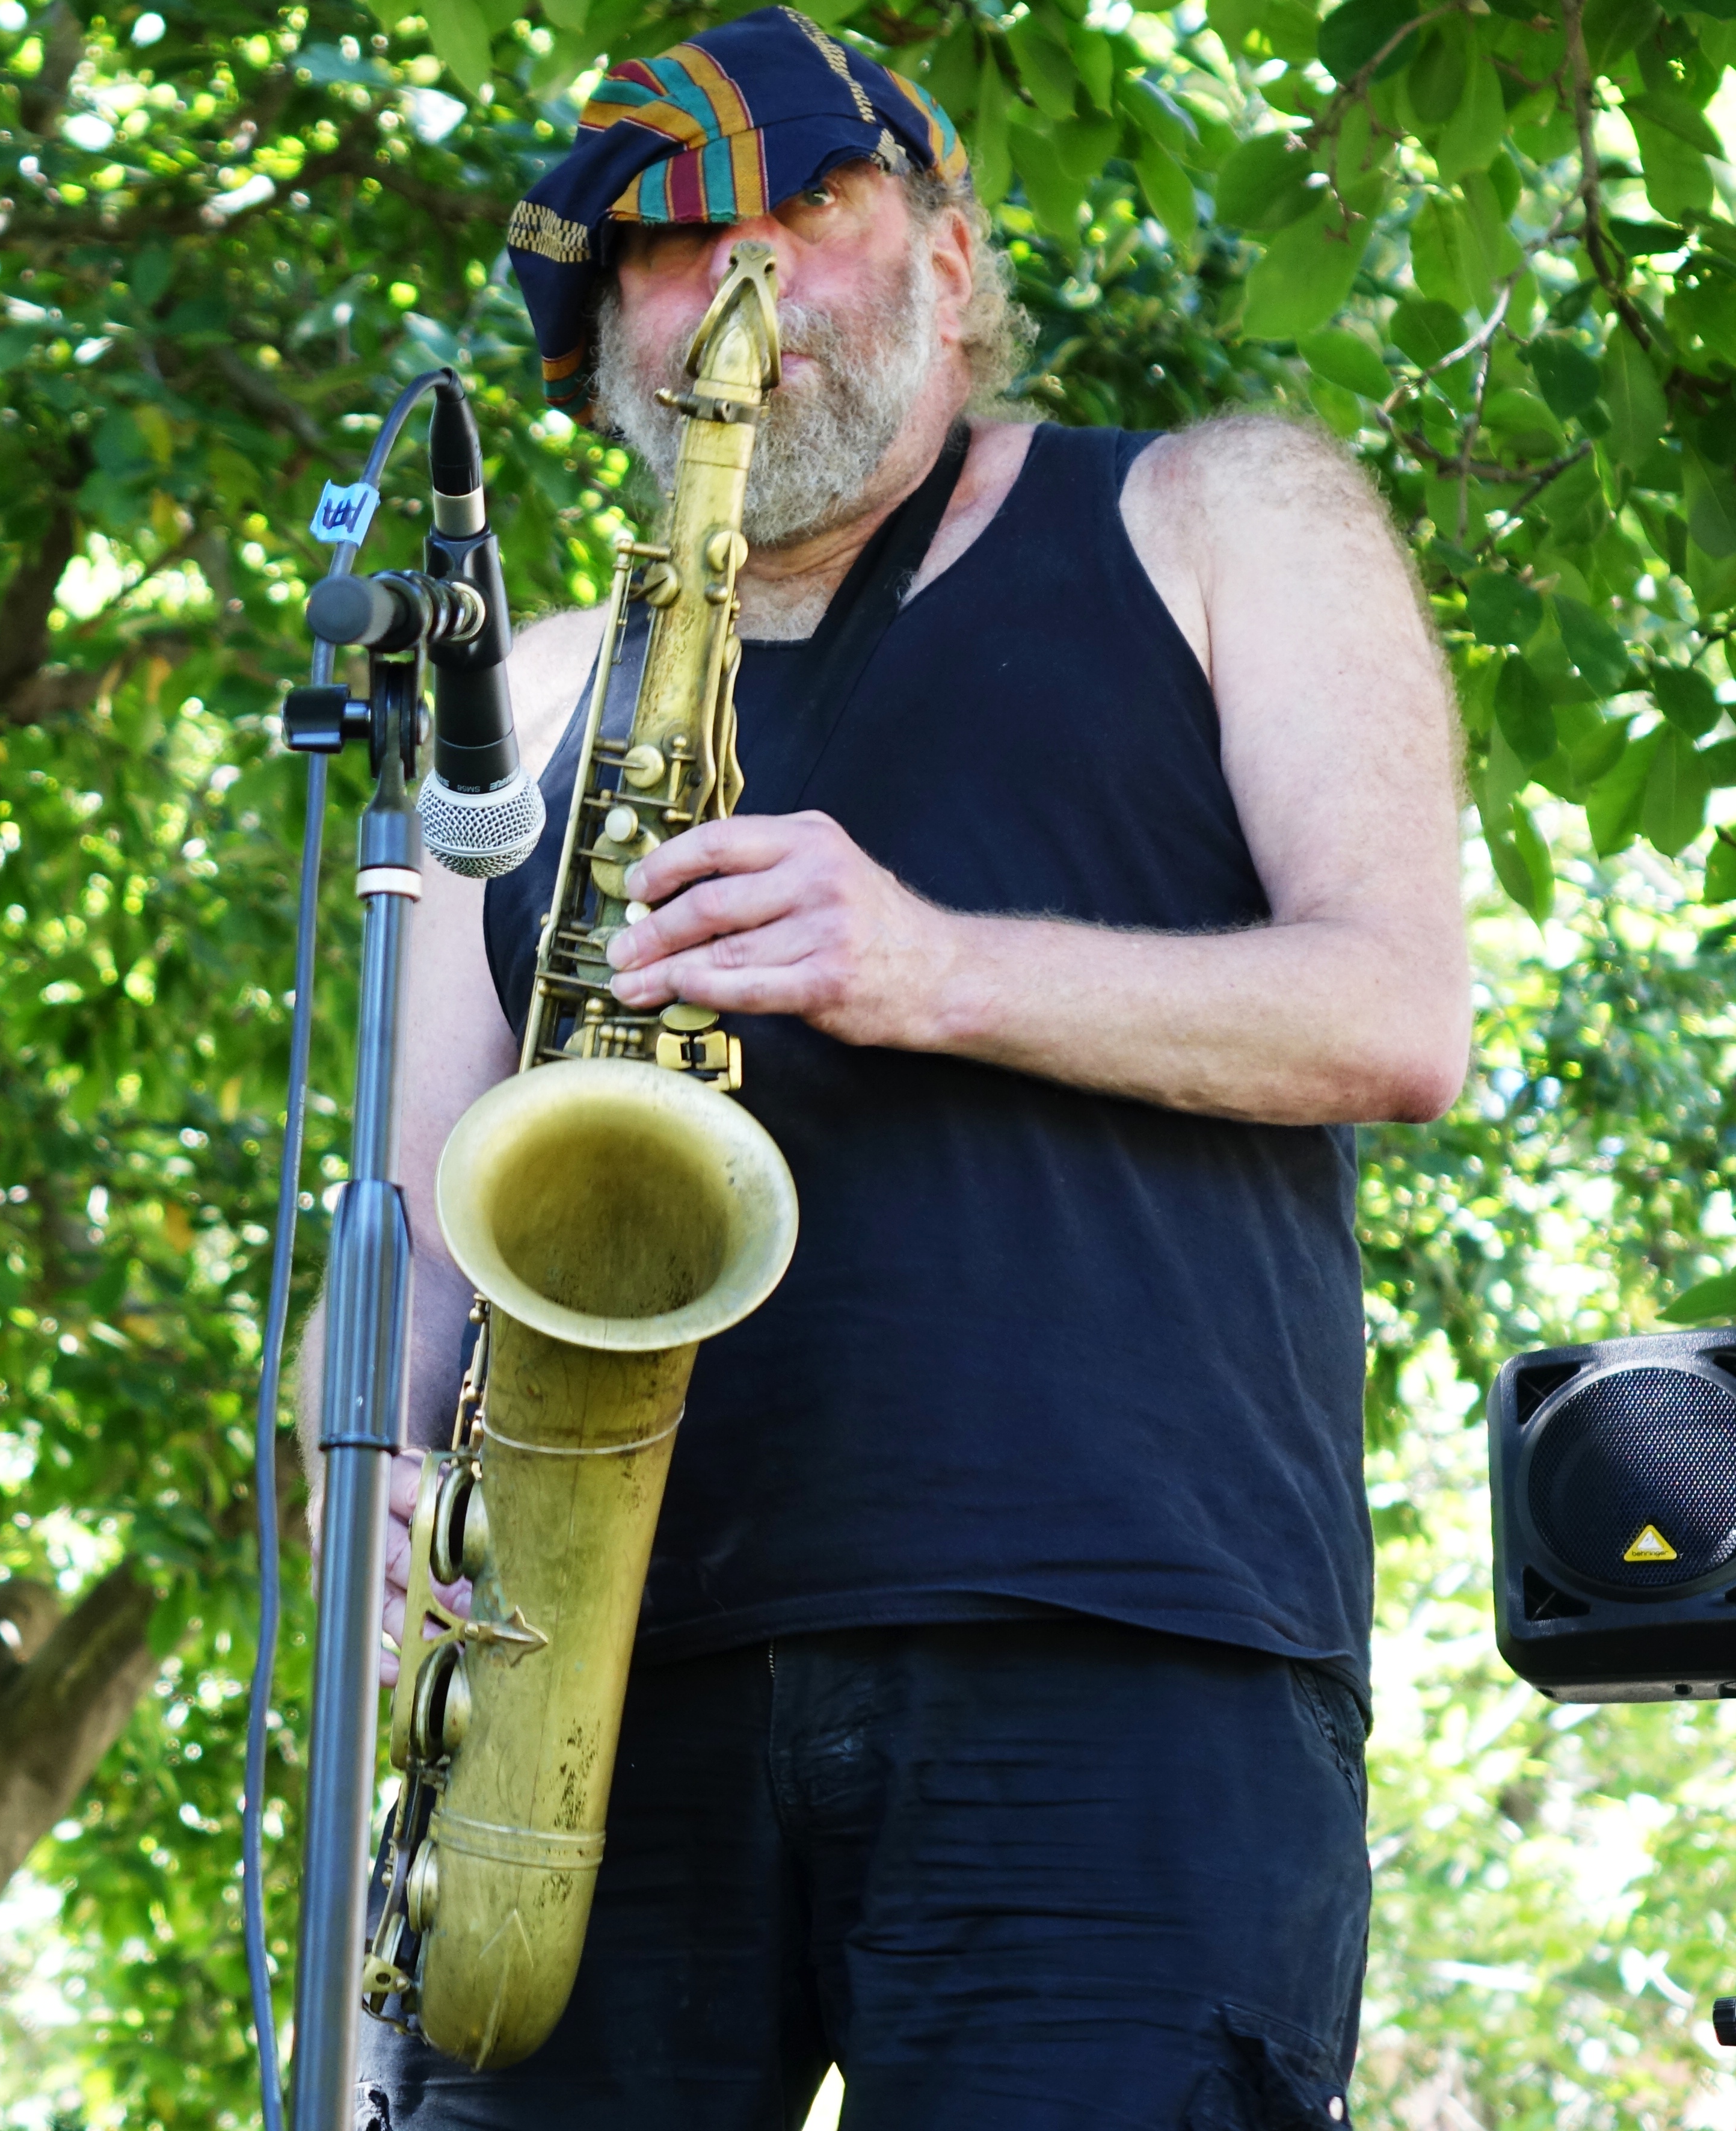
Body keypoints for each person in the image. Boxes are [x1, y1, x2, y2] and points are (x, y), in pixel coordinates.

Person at [342, 10, 1469, 2126]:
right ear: (598, 333)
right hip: (574, 1719)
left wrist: (930, 961)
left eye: (807, 212)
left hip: (1108, 1647)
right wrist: (383, 1502)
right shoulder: (537, 690)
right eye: (665, 252)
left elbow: (1393, 1013)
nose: (734, 283)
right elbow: (418, 1218)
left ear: (952, 255)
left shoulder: (1222, 510)